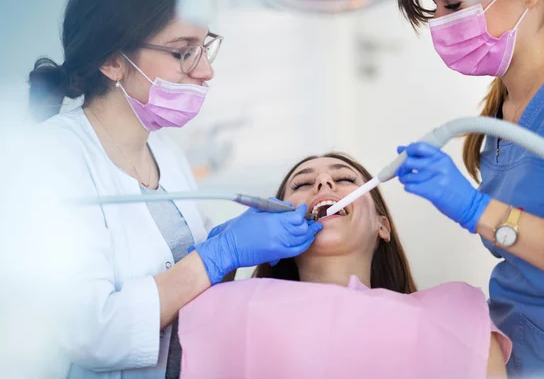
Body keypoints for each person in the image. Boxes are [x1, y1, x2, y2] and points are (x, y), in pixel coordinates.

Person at [27, 0, 322, 378]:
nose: (206, 70)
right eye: (183, 52)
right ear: (113, 61)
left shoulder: (166, 153)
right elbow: (93, 334)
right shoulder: (53, 157)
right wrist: (220, 254)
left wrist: (225, 248)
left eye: (204, 47)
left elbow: (191, 291)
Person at [177, 153, 511, 378]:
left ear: (382, 225)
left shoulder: (457, 319)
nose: (323, 184)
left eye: (345, 179)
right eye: (302, 184)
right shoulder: (225, 306)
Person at [397, 0, 544, 375]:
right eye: (436, 8)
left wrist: (476, 209)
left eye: (453, 3)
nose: (442, 24)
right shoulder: (498, 119)